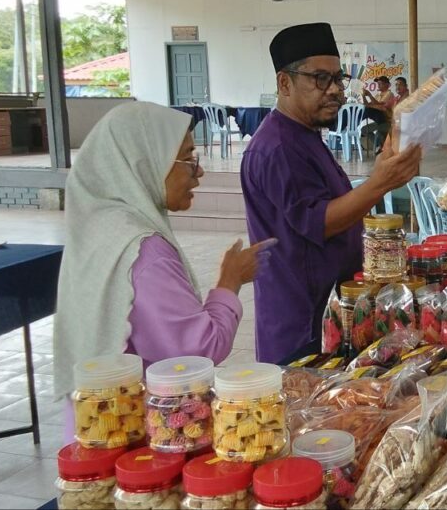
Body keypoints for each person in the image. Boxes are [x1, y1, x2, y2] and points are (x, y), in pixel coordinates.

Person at [53, 102, 274, 442]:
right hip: (137, 436)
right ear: (144, 162)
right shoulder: (143, 250)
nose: (198, 172)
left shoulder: (102, 227)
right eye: (188, 158)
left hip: (94, 424)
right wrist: (230, 281)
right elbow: (198, 352)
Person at [242, 22, 422, 364]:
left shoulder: (303, 135)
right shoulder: (278, 148)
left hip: (331, 311)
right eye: (320, 79)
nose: (335, 90)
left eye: (338, 78)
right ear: (284, 83)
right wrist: (379, 183)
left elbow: (337, 206)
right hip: (303, 322)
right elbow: (320, 221)